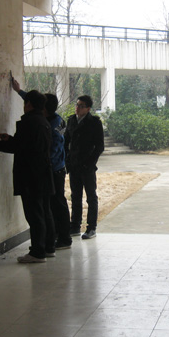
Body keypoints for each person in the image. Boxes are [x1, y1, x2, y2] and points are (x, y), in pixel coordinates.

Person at [0, 90, 56, 263]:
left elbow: (20, 147)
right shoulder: (44, 121)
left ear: (29, 104)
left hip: (31, 175)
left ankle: (37, 252)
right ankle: (48, 247)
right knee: (44, 212)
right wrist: (9, 140)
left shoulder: (28, 122)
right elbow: (27, 144)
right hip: (43, 173)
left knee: (34, 214)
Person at [11, 78, 72, 250]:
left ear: (44, 109)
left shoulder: (52, 126)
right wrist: (19, 91)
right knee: (49, 207)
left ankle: (64, 238)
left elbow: (51, 151)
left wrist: (40, 165)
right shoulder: (51, 119)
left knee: (56, 205)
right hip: (52, 169)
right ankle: (52, 239)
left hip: (55, 170)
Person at [64, 95, 104, 240]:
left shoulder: (94, 123)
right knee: (75, 196)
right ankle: (75, 226)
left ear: (88, 109)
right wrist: (67, 161)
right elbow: (65, 142)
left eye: (81, 106)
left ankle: (91, 227)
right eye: (77, 105)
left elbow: (99, 146)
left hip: (87, 166)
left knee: (91, 197)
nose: (78, 108)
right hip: (74, 165)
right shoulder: (71, 121)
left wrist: (90, 163)